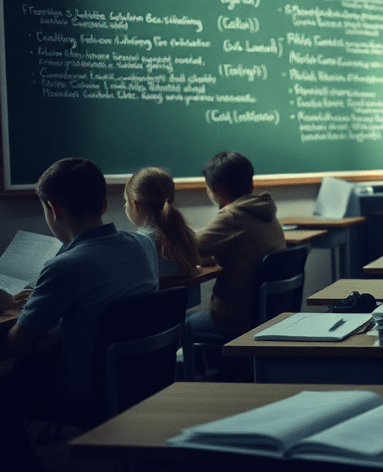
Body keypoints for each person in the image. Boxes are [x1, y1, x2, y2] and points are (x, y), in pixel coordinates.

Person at [1, 157, 159, 413]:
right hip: (138, 377)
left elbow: (20, 344)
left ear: (54, 209)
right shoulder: (143, 246)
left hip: (85, 386)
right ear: (104, 204)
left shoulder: (64, 266)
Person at [185, 152, 286, 346]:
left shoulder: (231, 216)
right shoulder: (267, 211)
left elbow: (189, 250)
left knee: (185, 323)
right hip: (268, 315)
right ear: (251, 185)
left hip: (237, 321)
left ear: (217, 190)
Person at [124, 166, 202, 278]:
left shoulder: (137, 244)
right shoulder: (186, 236)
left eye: (126, 201)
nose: (125, 205)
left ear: (136, 204)